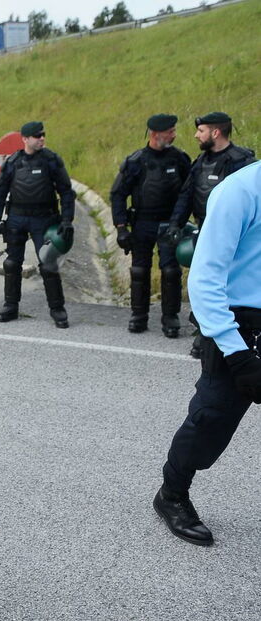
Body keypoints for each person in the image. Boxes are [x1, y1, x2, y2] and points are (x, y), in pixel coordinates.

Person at [153, 160, 261, 547]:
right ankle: (172, 494)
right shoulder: (239, 191)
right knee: (210, 420)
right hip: (237, 325)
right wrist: (238, 354)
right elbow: (205, 278)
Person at [166, 112, 255, 357]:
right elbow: (186, 195)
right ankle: (205, 335)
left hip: (235, 237)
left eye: (201, 131)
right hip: (204, 231)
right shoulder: (200, 162)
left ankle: (224, 338)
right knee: (203, 281)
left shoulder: (242, 162)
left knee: (225, 284)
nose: (196, 135)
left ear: (215, 132)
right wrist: (175, 224)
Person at [0, 121, 77, 328]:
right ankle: (11, 306)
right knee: (12, 264)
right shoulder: (13, 162)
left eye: (43, 135)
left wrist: (67, 219)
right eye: (37, 136)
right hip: (17, 218)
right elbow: (0, 190)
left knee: (48, 264)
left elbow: (66, 191)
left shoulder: (51, 160)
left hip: (44, 219)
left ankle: (57, 309)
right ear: (25, 139)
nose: (42, 139)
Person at [110, 114, 191, 337]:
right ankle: (138, 316)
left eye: (174, 130)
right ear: (155, 134)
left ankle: (170, 317)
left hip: (170, 224)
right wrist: (121, 227)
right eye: (170, 132)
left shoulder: (179, 159)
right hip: (142, 223)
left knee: (171, 271)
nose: (174, 135)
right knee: (139, 270)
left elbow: (188, 192)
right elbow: (118, 194)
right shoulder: (136, 161)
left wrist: (179, 222)